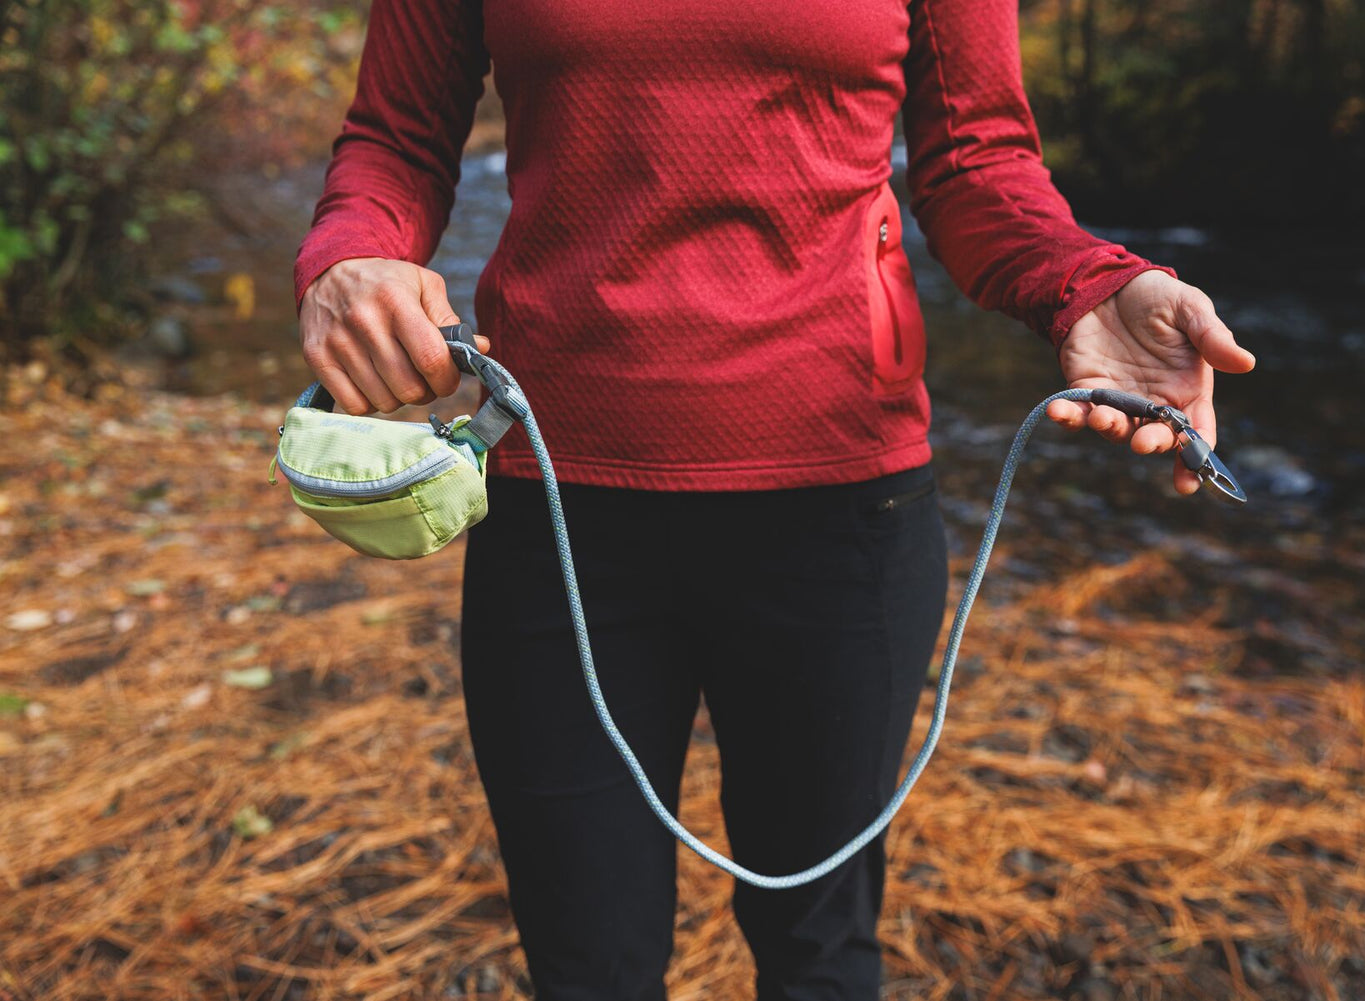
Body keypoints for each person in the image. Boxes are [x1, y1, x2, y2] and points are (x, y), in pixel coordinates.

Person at [294, 0, 1256, 997]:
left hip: (841, 514)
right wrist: (349, 253)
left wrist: (1090, 284)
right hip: (561, 507)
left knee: (819, 951)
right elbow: (396, 140)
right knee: (586, 965)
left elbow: (977, 169)